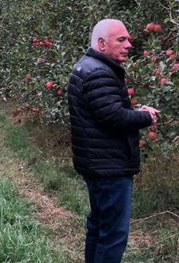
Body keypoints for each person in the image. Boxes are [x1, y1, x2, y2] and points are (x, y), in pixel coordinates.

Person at [67, 19, 159, 263]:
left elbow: (103, 110)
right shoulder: (99, 72)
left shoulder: (88, 67)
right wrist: (145, 116)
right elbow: (113, 117)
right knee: (113, 233)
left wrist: (137, 111)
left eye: (128, 39)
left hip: (97, 162)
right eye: (121, 40)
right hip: (109, 166)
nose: (128, 45)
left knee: (98, 225)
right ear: (101, 43)